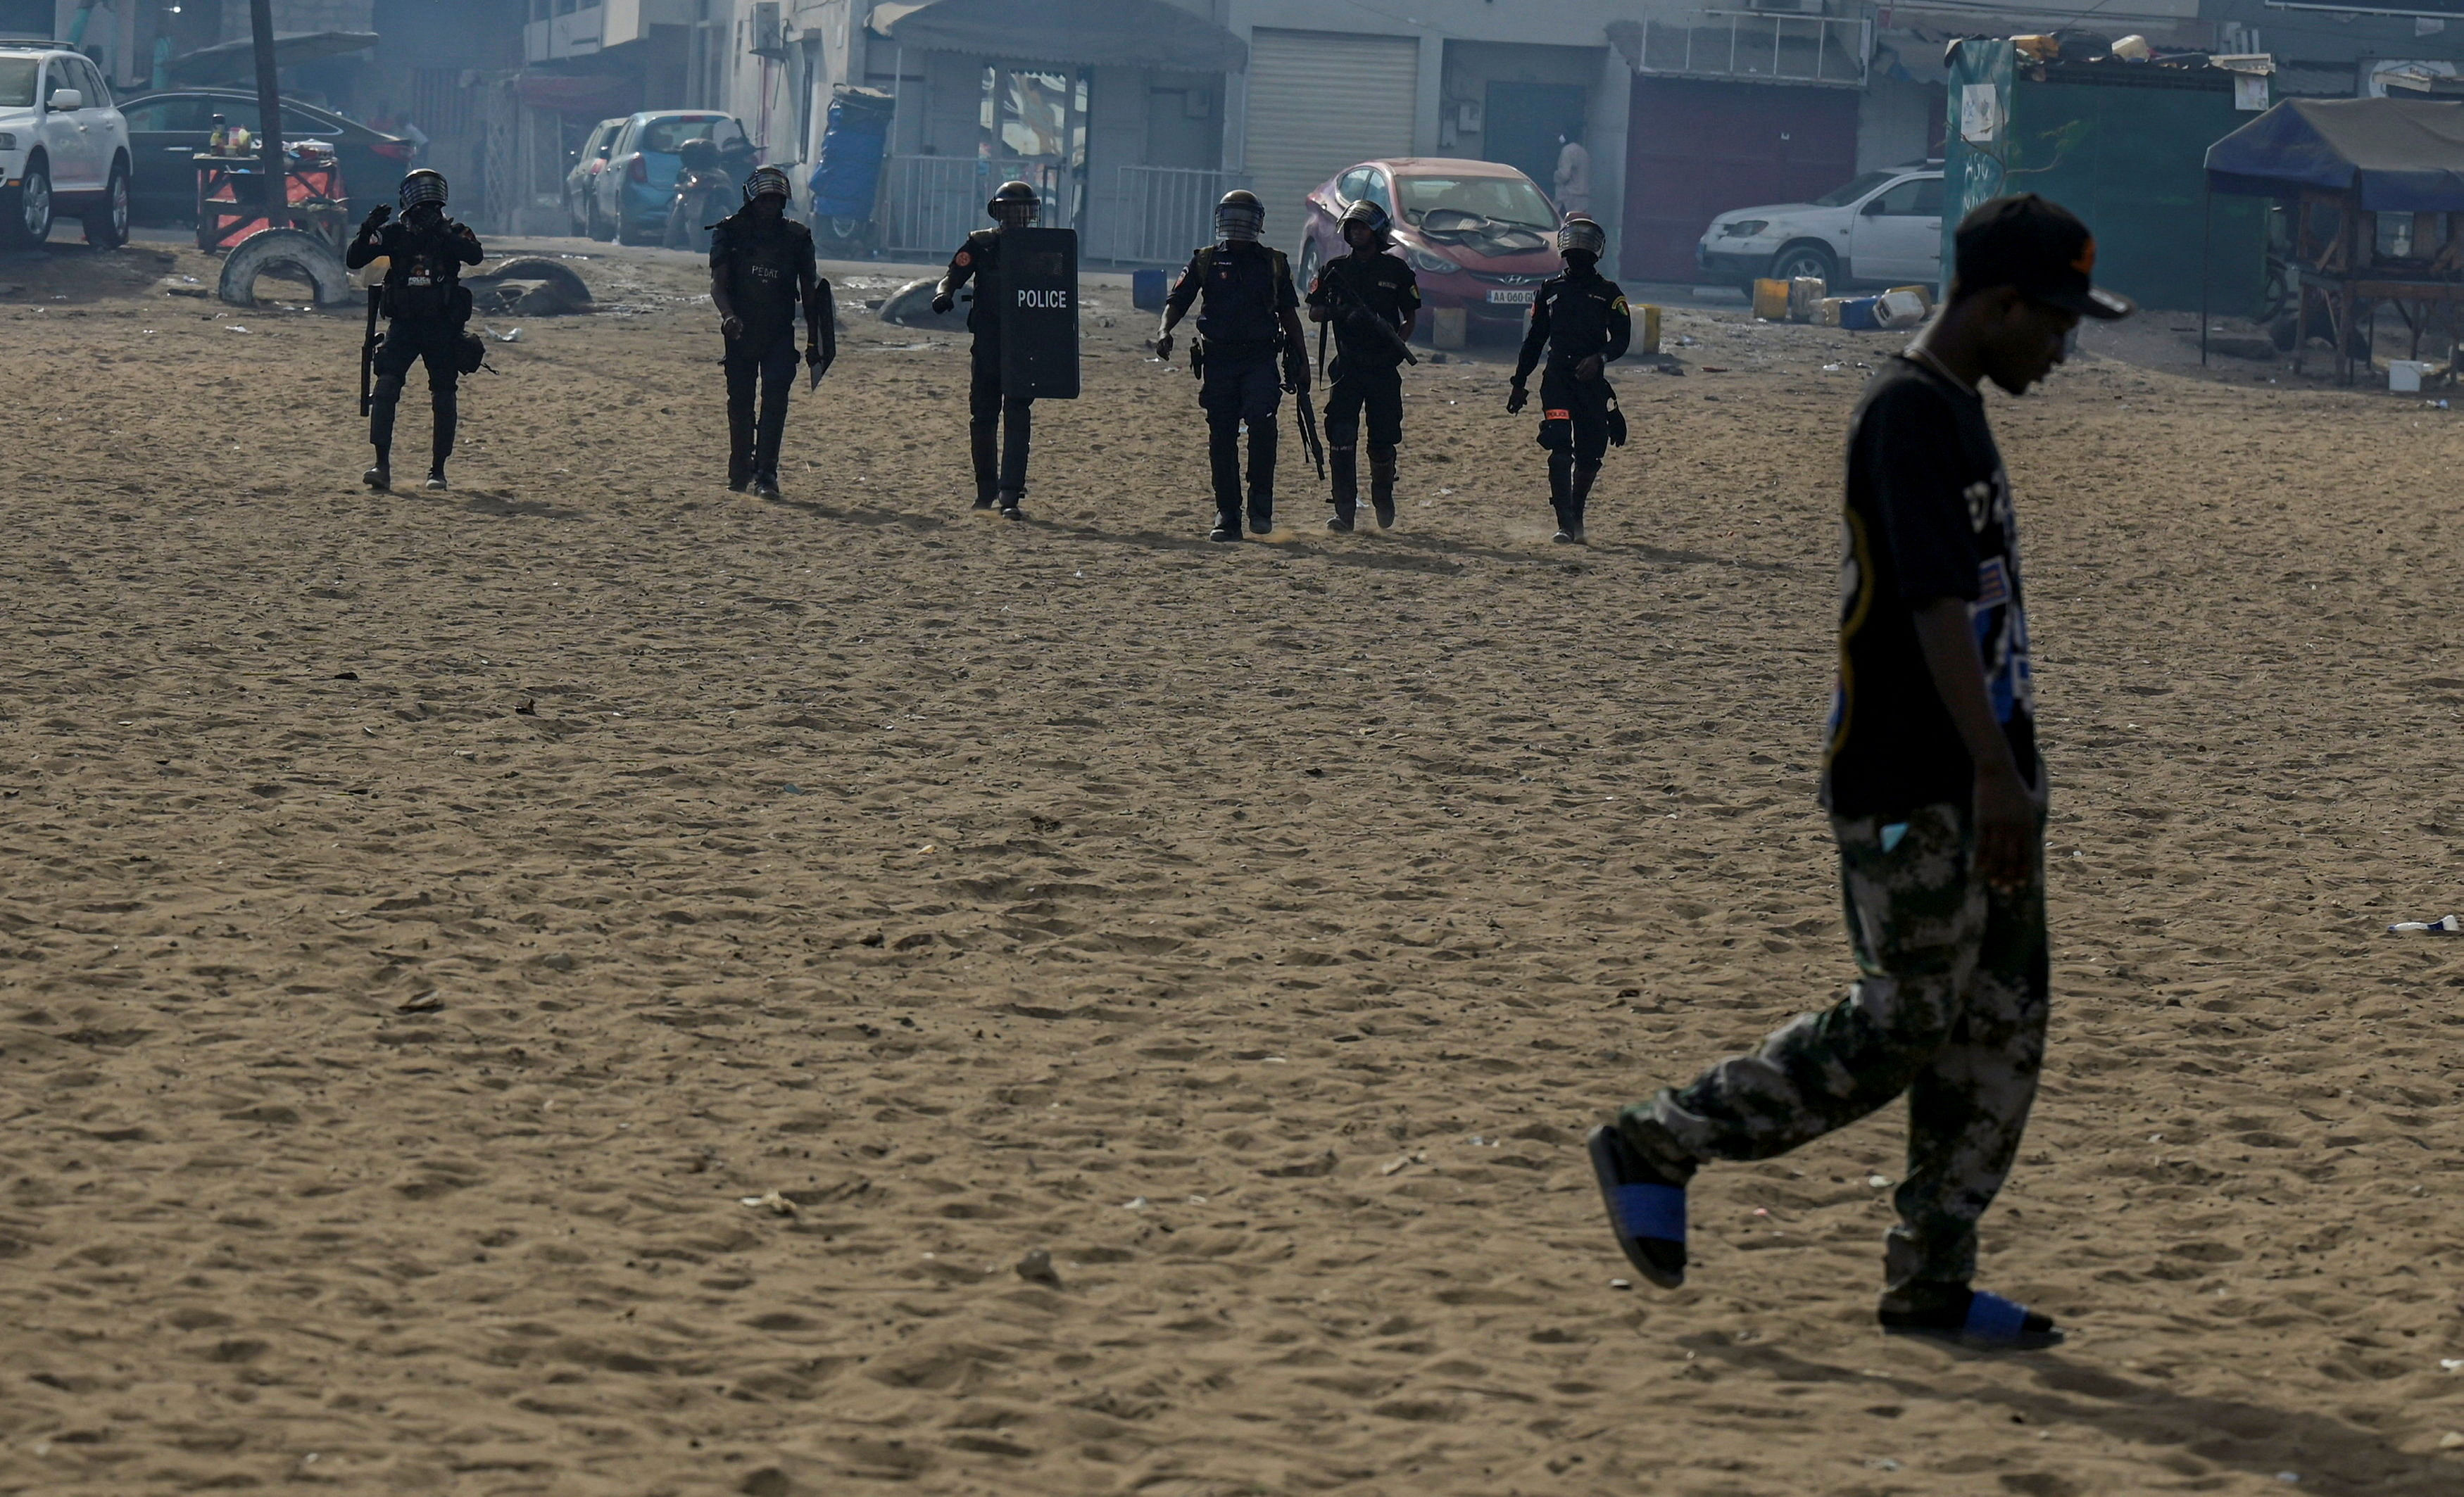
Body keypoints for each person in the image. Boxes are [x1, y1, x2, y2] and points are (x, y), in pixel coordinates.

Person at [1583, 194, 2130, 1352]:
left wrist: (2013, 775)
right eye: (2056, 321)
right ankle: (1660, 1138)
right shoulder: (1908, 417)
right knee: (1907, 1017)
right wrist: (1990, 772)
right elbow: (1932, 606)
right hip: (1914, 780)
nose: (2063, 346)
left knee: (2000, 1025)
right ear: (1997, 304)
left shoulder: (1961, 411)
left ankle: (1930, 1276)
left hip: (1992, 779)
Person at [1154, 189, 1310, 543]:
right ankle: (1227, 514)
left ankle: (1261, 508)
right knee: (1221, 436)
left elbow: (1289, 314)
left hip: (1259, 358)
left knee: (1262, 425)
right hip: (1219, 359)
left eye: (1246, 217)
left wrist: (1301, 360)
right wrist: (1164, 330)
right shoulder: (1205, 261)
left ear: (1258, 223)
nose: (1238, 225)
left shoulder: (1274, 264)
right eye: (1233, 217)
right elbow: (1178, 300)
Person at [346, 168, 482, 493]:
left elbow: (475, 256)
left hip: (441, 326)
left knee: (444, 395)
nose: (426, 211)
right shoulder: (395, 234)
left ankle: (438, 470)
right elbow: (355, 259)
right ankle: (382, 464)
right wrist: (367, 229)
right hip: (404, 324)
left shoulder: (455, 232)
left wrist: (444, 235)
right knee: (386, 388)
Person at [709, 165, 835, 499]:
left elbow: (810, 290)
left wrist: (814, 339)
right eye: (765, 201)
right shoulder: (729, 232)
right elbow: (718, 285)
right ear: (752, 201)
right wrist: (728, 316)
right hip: (740, 330)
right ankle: (740, 469)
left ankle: (767, 474)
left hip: (779, 330)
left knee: (776, 401)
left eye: (777, 202)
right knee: (740, 403)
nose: (770, 207)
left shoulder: (796, 238)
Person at [1507, 215, 1628, 543]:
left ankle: (1577, 511)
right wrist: (1519, 383)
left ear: (1596, 254)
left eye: (1584, 248)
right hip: (1557, 379)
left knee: (1590, 454)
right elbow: (1534, 341)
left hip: (1591, 383)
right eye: (1573, 246)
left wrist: (1599, 358)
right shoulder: (1550, 291)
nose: (1577, 253)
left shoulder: (1609, 294)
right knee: (1560, 446)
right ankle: (1565, 523)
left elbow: (1621, 339)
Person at [1305, 198, 1419, 533]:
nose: (1356, 232)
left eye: (1363, 227)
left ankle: (1383, 496)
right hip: (1348, 367)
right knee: (1341, 438)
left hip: (1383, 368)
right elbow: (1314, 311)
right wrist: (1340, 312)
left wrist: (1398, 345)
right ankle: (1344, 511)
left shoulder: (1397, 271)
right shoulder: (1335, 269)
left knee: (1382, 441)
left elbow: (1410, 317)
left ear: (1377, 233)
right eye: (1352, 227)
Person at [931, 179, 1041, 518]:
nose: (1016, 218)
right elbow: (953, 274)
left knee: (1018, 414)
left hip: (1025, 343)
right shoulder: (981, 244)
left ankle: (1010, 492)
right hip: (988, 340)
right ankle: (985, 490)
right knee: (983, 415)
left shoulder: (1045, 247)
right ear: (997, 212)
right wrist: (943, 294)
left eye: (1022, 211)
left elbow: (1057, 290)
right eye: (1009, 210)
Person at [1553, 129, 1592, 221]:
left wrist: (1555, 176)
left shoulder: (1567, 150)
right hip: (1582, 202)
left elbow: (1564, 175)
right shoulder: (1584, 152)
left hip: (1567, 201)